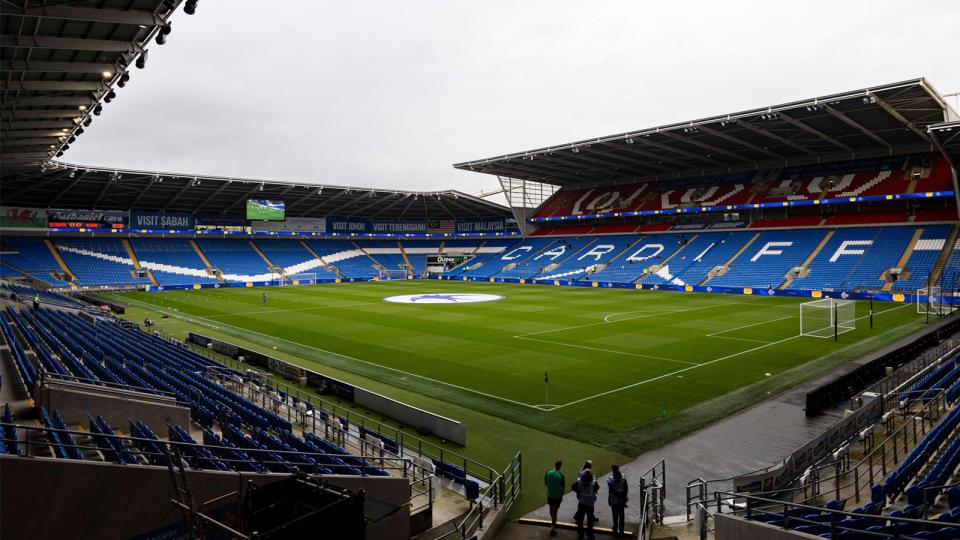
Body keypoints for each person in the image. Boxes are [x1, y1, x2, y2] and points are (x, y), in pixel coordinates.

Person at [573, 469, 599, 540]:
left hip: (581, 503)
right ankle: (589, 534)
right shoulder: (593, 482)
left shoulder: (579, 481)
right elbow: (597, 488)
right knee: (590, 520)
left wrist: (579, 492)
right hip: (590, 504)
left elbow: (573, 487)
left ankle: (580, 533)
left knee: (580, 519)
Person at [544, 460, 565, 536]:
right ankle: (553, 528)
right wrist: (561, 496)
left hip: (550, 495)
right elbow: (562, 488)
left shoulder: (548, 472)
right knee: (555, 512)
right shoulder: (561, 476)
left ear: (555, 464)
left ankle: (553, 522)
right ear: (560, 466)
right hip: (557, 496)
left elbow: (546, 483)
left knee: (551, 510)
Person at [607, 465, 629, 537]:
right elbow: (626, 488)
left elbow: (612, 491)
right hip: (621, 501)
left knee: (615, 515)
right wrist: (623, 498)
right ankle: (621, 529)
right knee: (621, 515)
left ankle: (615, 528)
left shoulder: (610, 479)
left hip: (614, 500)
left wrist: (620, 497)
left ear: (613, 470)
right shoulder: (623, 477)